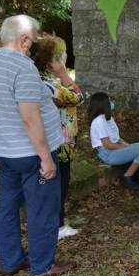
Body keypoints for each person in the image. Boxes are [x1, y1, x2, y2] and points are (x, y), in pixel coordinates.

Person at [0, 14, 75, 276]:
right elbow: (30, 117)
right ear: (24, 40)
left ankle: (10, 260)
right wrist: (46, 158)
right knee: (42, 209)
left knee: (7, 207)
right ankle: (42, 266)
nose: (39, 40)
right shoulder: (22, 67)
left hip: (6, 153)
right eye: (37, 35)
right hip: (31, 154)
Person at [32, 35, 85, 240]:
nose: (65, 56)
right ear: (51, 61)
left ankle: (57, 222)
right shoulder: (51, 85)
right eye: (61, 54)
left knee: (60, 182)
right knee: (59, 184)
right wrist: (63, 73)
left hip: (59, 140)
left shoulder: (46, 81)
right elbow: (78, 97)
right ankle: (58, 225)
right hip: (58, 142)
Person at [88, 92, 139, 190]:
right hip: (108, 154)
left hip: (115, 149)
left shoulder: (108, 118)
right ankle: (128, 176)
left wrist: (129, 147)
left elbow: (118, 139)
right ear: (103, 104)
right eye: (109, 101)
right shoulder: (99, 121)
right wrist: (128, 148)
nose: (111, 103)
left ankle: (135, 171)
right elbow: (107, 144)